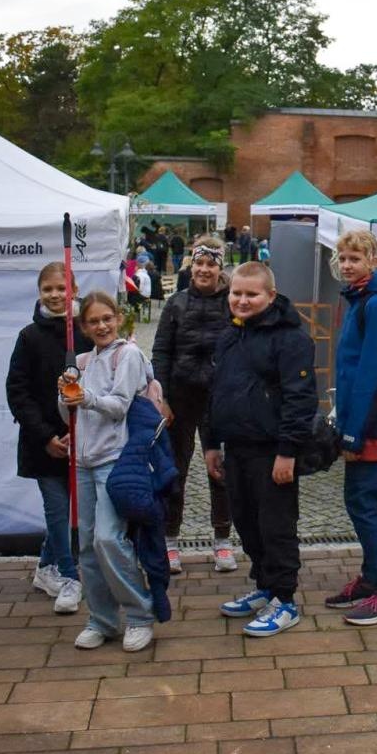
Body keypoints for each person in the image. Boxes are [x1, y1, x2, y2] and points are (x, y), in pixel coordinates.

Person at [210, 263, 316, 637]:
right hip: (236, 447)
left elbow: (300, 400)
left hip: (273, 452)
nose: (242, 300)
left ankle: (284, 600)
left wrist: (288, 452)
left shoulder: (292, 340)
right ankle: (265, 587)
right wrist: (211, 444)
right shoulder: (229, 336)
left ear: (271, 296)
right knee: (247, 522)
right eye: (236, 293)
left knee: (276, 526)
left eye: (251, 294)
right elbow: (216, 391)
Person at [60, 292, 158, 652]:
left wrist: (84, 397)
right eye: (93, 321)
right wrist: (65, 395)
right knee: (86, 546)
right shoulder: (83, 361)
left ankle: (139, 615)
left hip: (114, 461)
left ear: (118, 318)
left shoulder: (127, 354)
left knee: (107, 538)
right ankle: (101, 619)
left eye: (107, 318)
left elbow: (119, 406)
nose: (101, 326)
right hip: (82, 462)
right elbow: (69, 417)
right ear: (83, 327)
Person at [326, 231, 377, 625]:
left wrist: (352, 431)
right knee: (370, 503)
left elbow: (373, 372)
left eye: (354, 258)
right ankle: (374, 577)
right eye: (342, 258)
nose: (346, 265)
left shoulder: (376, 304)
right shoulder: (363, 299)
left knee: (363, 505)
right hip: (364, 419)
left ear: (372, 259)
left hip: (369, 423)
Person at [5, 262, 92, 616]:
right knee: (58, 512)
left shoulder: (86, 332)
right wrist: (45, 435)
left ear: (73, 288)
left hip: (84, 442)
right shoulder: (29, 337)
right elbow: (18, 391)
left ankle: (45, 567)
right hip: (44, 444)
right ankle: (70, 576)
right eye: (48, 289)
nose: (55, 295)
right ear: (40, 292)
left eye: (61, 287)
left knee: (77, 510)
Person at [150, 236, 235, 574]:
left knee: (221, 471)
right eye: (199, 263)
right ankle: (170, 540)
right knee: (175, 472)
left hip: (218, 399)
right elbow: (161, 351)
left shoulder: (232, 302)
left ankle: (223, 540)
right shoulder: (176, 303)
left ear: (219, 267)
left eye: (211, 264)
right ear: (191, 264)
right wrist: (162, 398)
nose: (204, 269)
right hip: (180, 399)